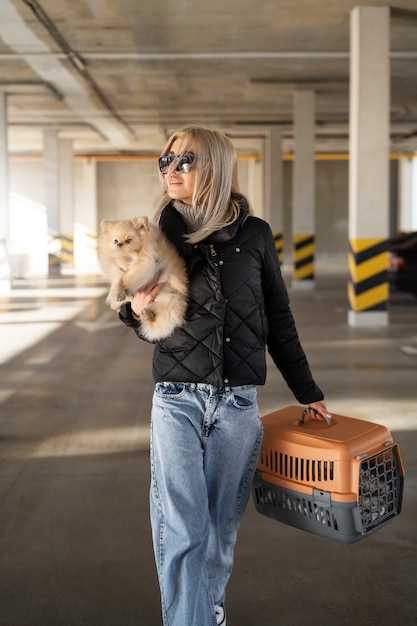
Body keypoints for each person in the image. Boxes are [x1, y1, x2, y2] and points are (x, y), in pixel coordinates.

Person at [119, 124, 331, 626]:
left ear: (213, 166)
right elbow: (132, 311)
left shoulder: (255, 235)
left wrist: (308, 392)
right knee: (183, 529)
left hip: (238, 405)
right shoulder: (157, 234)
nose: (170, 170)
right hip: (176, 399)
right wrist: (134, 307)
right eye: (165, 162)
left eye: (184, 161)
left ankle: (206, 613)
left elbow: (277, 318)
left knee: (218, 533)